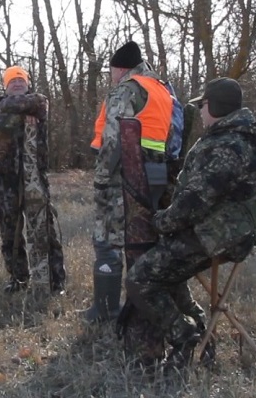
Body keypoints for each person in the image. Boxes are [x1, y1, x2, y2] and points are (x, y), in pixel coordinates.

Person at [125, 77, 256, 369]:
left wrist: (159, 222)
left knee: (140, 278)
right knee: (167, 271)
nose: (202, 112)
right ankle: (197, 326)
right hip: (222, 232)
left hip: (218, 236)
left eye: (204, 105)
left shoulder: (228, 146)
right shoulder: (240, 138)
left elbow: (195, 201)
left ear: (214, 106)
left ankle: (184, 337)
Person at [86, 41, 179, 323]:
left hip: (124, 175)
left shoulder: (127, 88)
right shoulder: (163, 89)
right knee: (142, 241)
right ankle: (140, 310)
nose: (111, 76)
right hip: (156, 174)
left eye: (112, 71)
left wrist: (101, 179)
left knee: (108, 238)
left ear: (121, 68)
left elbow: (114, 138)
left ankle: (105, 310)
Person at [0, 66, 67, 294]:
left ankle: (55, 280)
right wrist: (15, 111)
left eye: (21, 80)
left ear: (28, 84)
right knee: (10, 233)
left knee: (45, 228)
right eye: (13, 82)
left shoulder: (39, 102)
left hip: (35, 178)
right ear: (5, 86)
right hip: (5, 180)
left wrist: (10, 107)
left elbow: (19, 107)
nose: (18, 84)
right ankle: (18, 279)